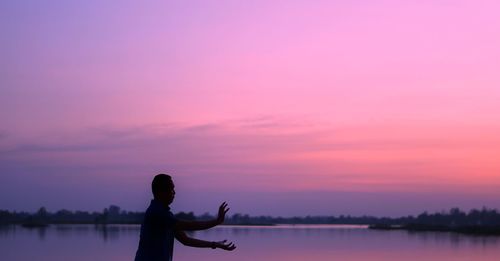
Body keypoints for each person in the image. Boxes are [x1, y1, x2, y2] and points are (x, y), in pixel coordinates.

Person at [135, 174, 236, 261]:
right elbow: (188, 225)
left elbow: (186, 240)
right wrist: (216, 221)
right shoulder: (157, 212)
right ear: (160, 192)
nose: (174, 193)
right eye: (171, 189)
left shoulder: (165, 214)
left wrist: (215, 244)